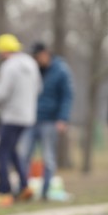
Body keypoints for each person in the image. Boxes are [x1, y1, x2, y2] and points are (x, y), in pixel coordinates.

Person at [0, 34, 41, 205]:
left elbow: (2, 91)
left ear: (3, 51)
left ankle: (5, 190)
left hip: (11, 116)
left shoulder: (9, 66)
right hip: (28, 116)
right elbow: (39, 88)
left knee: (1, 151)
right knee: (12, 150)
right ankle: (24, 186)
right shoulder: (31, 63)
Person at [19, 42, 73, 201]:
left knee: (48, 157)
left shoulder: (61, 70)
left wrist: (63, 118)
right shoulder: (33, 70)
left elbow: (67, 96)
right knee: (23, 155)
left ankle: (45, 191)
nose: (35, 60)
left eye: (37, 57)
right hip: (30, 119)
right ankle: (23, 189)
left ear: (45, 54)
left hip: (50, 120)